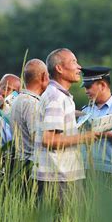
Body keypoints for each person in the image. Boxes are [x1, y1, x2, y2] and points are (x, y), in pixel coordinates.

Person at [32, 48, 97, 201]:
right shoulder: (56, 97)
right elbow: (49, 140)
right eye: (74, 62)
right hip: (59, 178)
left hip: (57, 176)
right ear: (59, 68)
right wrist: (85, 137)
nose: (79, 67)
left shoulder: (57, 95)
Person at [80, 66, 112, 182]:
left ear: (102, 85)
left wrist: (104, 133)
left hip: (109, 172)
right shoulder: (85, 110)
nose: (86, 91)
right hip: (85, 169)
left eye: (88, 87)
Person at [10, 59, 49, 181]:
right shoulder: (32, 103)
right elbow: (37, 138)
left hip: (21, 163)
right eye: (48, 76)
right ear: (43, 76)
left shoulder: (19, 99)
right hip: (31, 167)